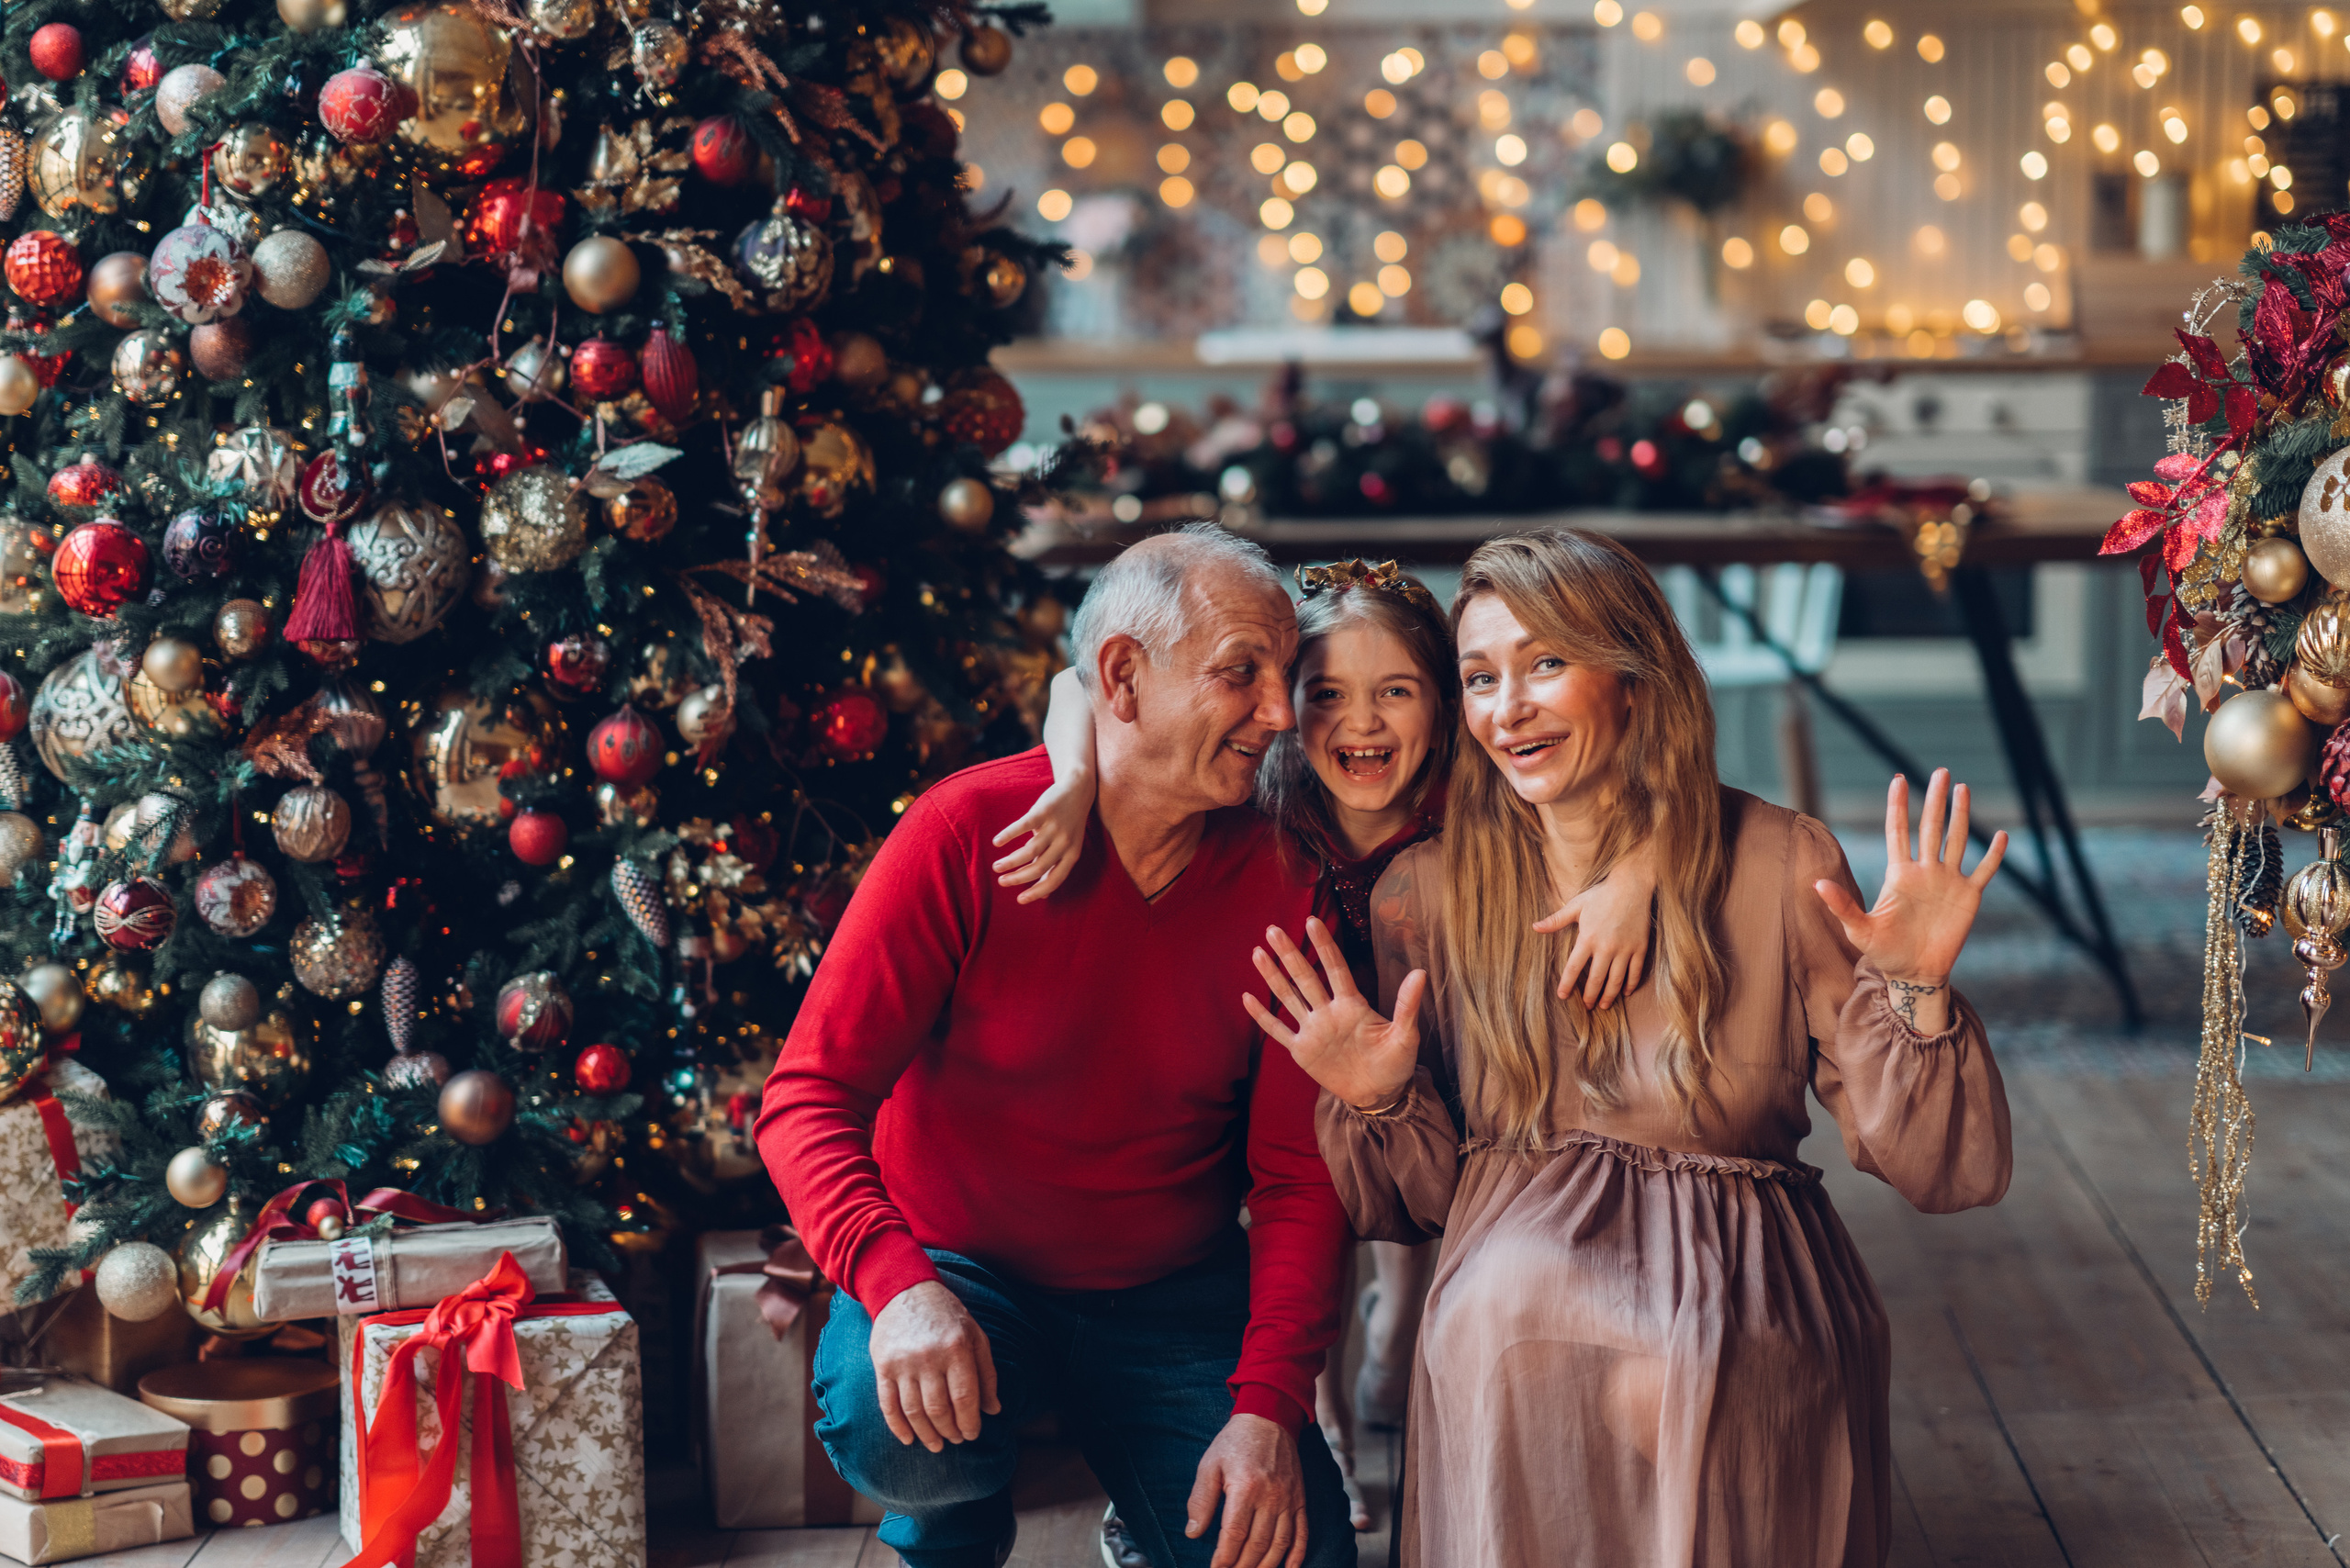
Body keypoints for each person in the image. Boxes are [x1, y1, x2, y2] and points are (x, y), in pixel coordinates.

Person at [1245, 530, 2012, 1568]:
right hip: (1519, 1262)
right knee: (1516, 1308)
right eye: (1480, 677)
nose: (1507, 706)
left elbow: (1935, 1168)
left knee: (1691, 1358)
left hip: (1742, 1262)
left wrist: (1916, 987)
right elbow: (1412, 1205)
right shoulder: (1421, 894)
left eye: (1545, 662)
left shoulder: (1784, 861)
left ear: (1635, 682)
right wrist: (1379, 1099)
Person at [994, 557, 1658, 1542]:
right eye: (1326, 694)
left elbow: (1650, 781)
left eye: (1396, 691)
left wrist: (1638, 872)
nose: (1361, 723)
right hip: (1292, 1058)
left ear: (1443, 698)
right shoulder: (1256, 802)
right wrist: (1076, 770)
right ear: (1280, 703)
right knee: (1303, 1202)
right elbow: (1070, 682)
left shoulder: (1482, 804)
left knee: (1420, 1239)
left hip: (1449, 1057)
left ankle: (1409, 1357)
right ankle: (1329, 1421)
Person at [756, 524, 1357, 1568]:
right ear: (1121, 678)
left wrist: (1267, 1409)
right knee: (890, 1426)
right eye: (1239, 675)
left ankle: (1141, 1504)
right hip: (959, 1270)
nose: (1278, 714)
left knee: (1299, 1554)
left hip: (1175, 1295)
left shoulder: (1286, 872)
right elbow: (807, 1098)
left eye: (1286, 676)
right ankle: (953, 1517)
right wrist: (897, 1287)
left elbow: (1298, 1176)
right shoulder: (961, 832)